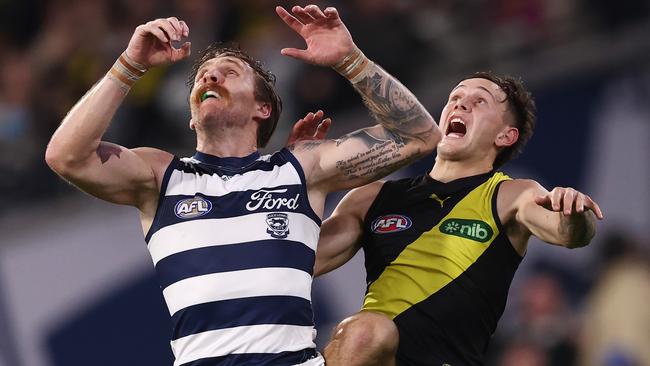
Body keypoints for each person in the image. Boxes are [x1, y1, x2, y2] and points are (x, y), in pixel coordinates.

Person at [45, 5, 441, 366]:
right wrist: (130, 64)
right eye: (203, 76)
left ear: (261, 108)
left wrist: (350, 60)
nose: (211, 75)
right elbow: (67, 156)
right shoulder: (161, 175)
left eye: (230, 72)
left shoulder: (300, 168)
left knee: (369, 333)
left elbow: (420, 136)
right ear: (191, 117)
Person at [297, 72, 604, 366]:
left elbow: (570, 234)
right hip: (375, 356)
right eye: (455, 96)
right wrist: (299, 182)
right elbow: (295, 261)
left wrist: (575, 213)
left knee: (364, 331)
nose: (461, 103)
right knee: (363, 333)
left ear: (506, 135)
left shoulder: (511, 194)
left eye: (480, 101)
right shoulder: (372, 197)